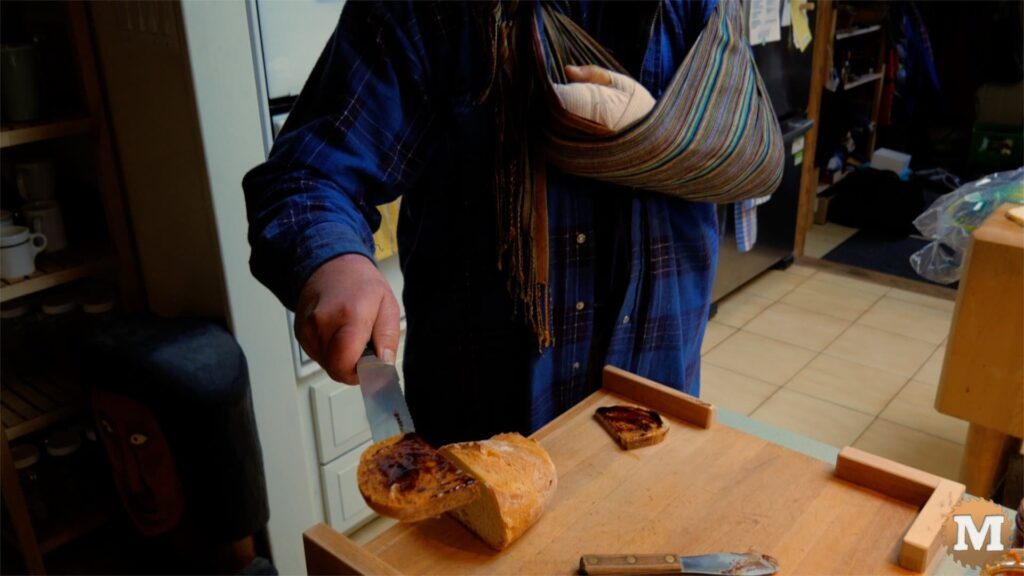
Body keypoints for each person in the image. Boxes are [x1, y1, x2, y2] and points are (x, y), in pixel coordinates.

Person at [243, 1, 726, 447]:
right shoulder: (427, 10)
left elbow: (741, 147)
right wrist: (333, 262)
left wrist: (660, 135)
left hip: (660, 409)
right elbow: (305, 176)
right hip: (478, 444)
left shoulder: (699, 7)